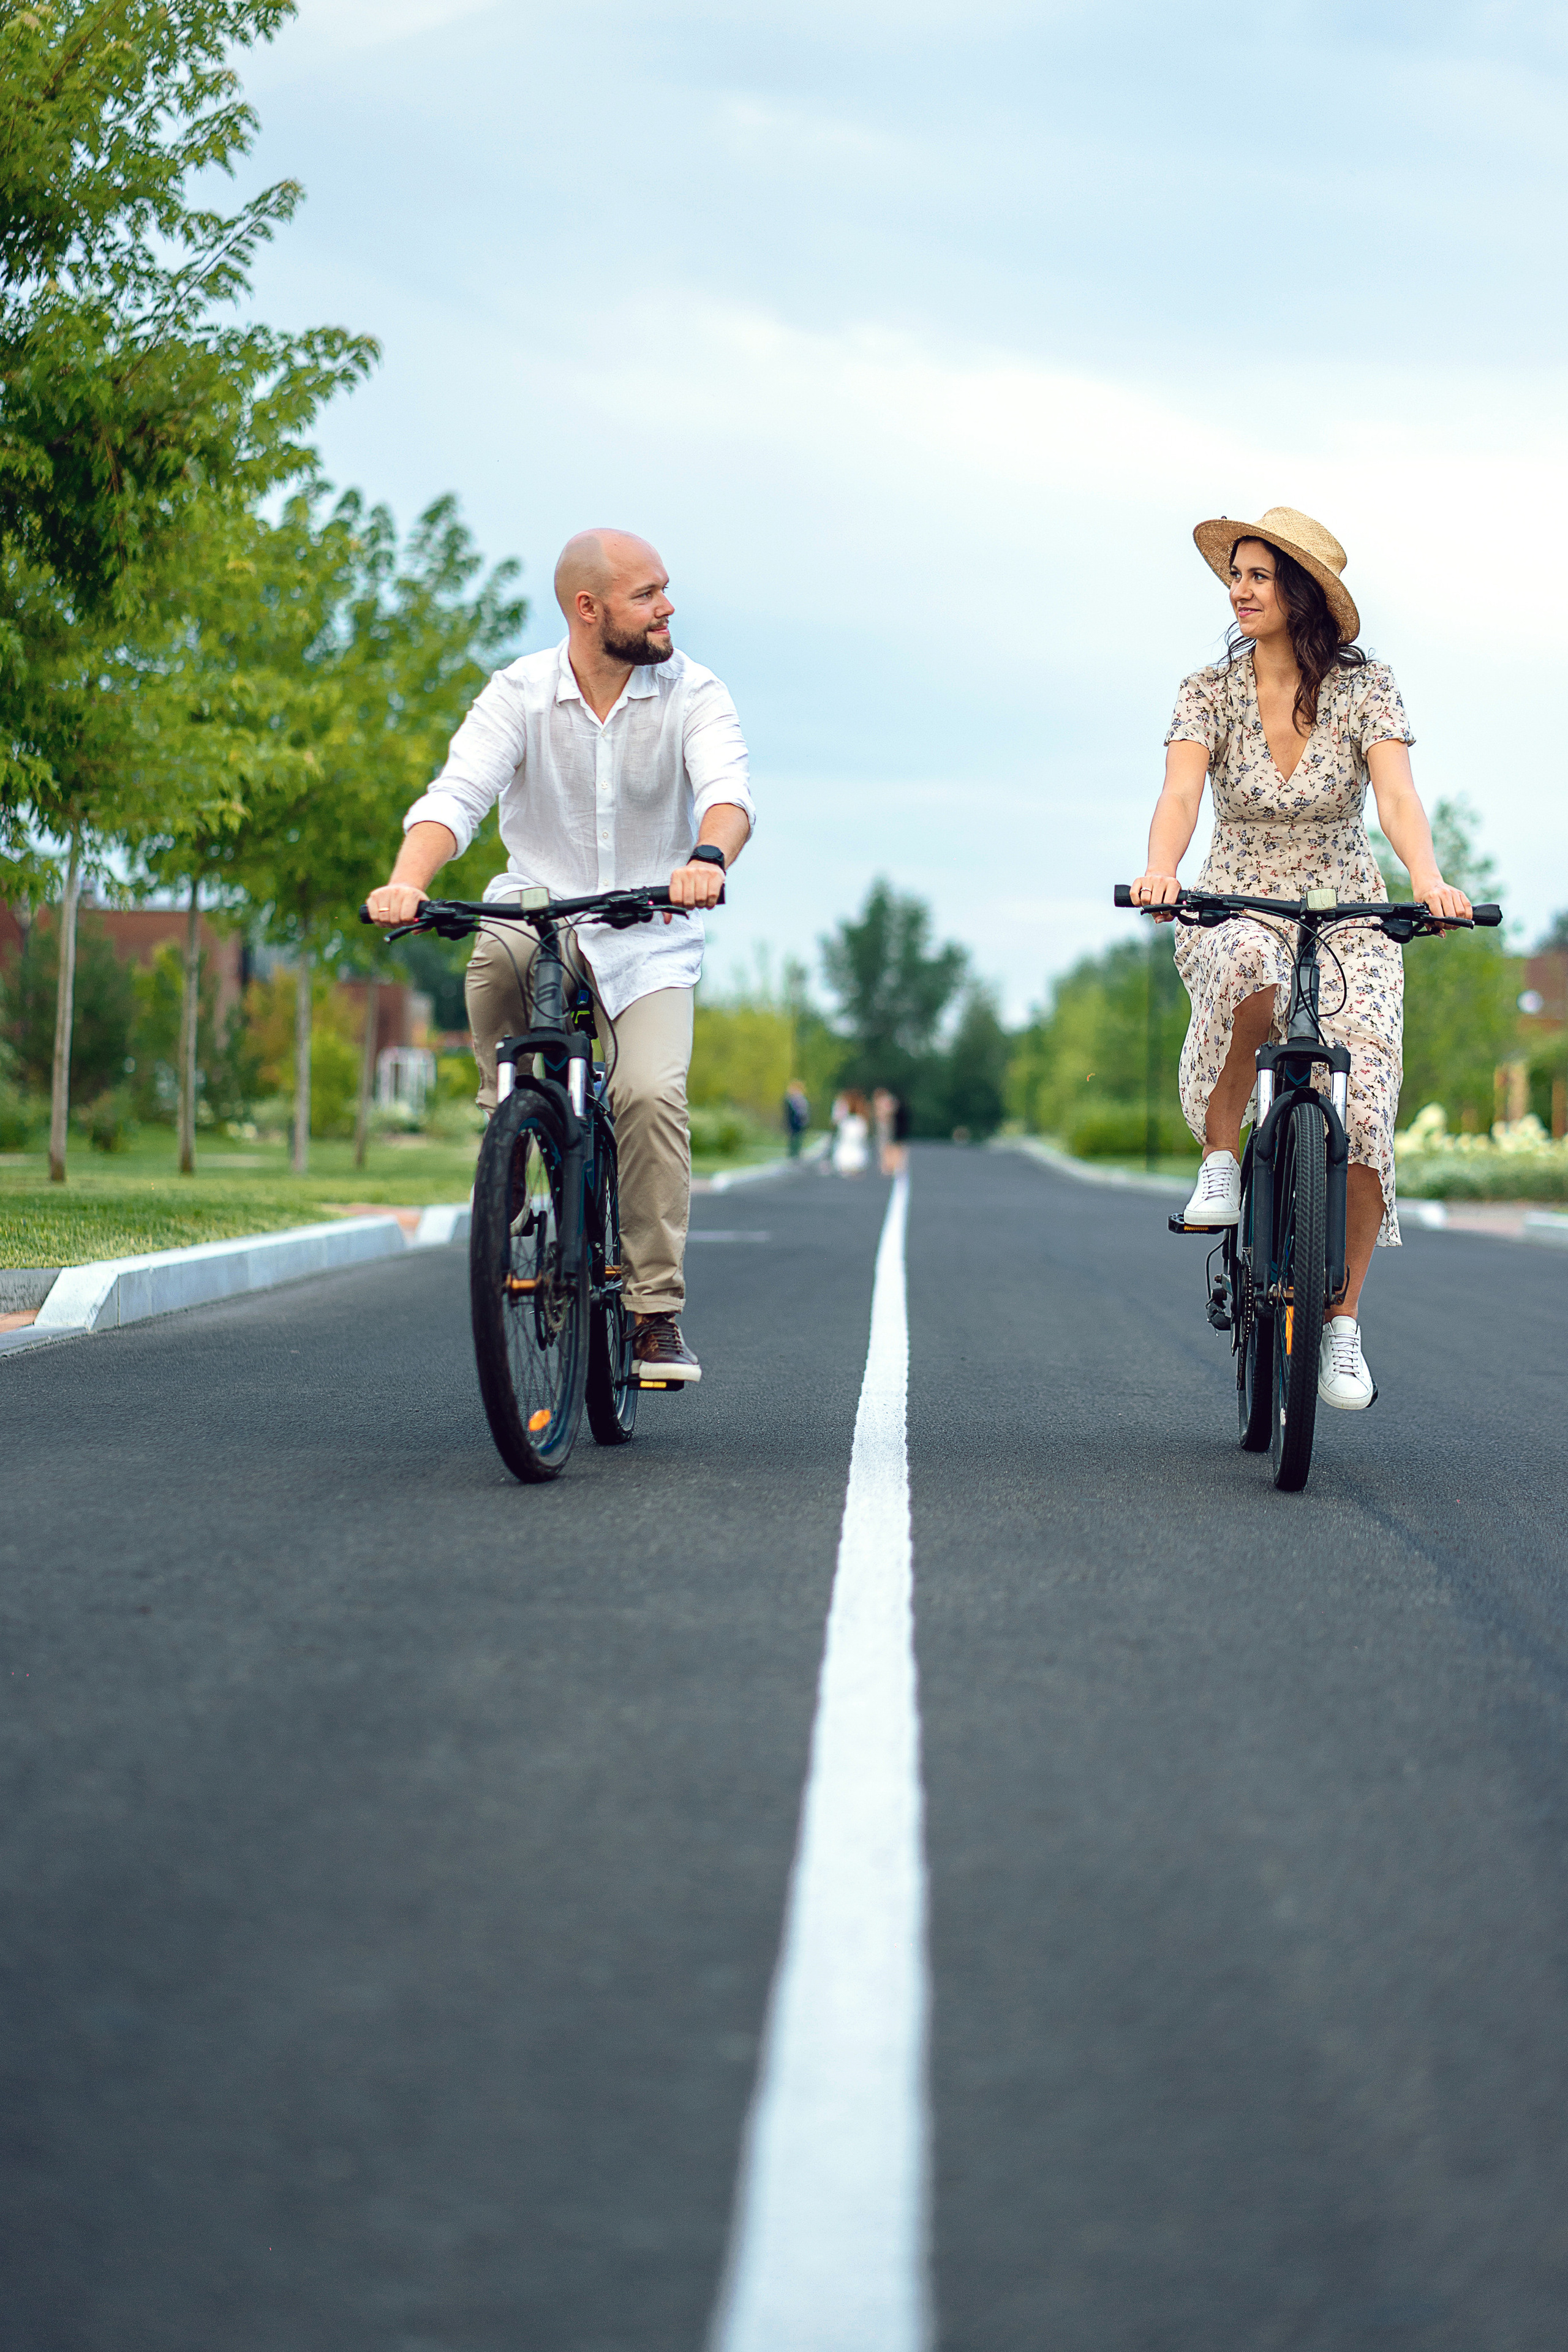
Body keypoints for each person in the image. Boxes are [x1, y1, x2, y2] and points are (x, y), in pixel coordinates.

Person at [365, 529, 755, 1384]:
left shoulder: (695, 691)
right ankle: (512, 1120)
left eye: (665, 589)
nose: (668, 608)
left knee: (649, 1093)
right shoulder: (519, 694)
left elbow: (728, 797)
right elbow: (456, 795)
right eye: (647, 593)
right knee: (495, 950)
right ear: (590, 609)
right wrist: (405, 881)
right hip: (541, 911)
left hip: (650, 930)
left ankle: (654, 1314)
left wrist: (706, 862)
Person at [1129, 506, 1471, 1411]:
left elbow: (1396, 797)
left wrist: (1428, 880)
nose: (1238, 590)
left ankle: (1344, 1321)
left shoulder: (1369, 688)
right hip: (1235, 896)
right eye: (1234, 575)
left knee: (1361, 1100)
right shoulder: (1207, 689)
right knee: (1249, 968)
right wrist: (1162, 871)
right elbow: (1179, 790)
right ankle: (1220, 1159)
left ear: (1302, 593)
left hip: (1347, 908)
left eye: (1257, 575)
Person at [832, 1090, 870, 1176]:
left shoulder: (845, 1122)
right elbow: (863, 1137)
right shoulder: (860, 1121)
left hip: (844, 1156)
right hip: (857, 1155)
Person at [783, 1079, 810, 1158]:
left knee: (798, 1136)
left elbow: (803, 1110)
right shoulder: (792, 1099)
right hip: (794, 1120)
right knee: (793, 1136)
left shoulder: (800, 1099)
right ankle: (793, 1152)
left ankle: (796, 1152)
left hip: (799, 1120)